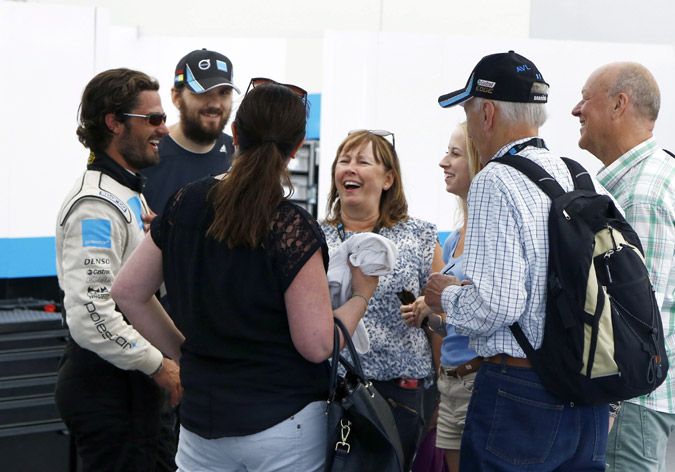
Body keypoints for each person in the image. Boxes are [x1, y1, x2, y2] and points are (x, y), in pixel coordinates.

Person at [111, 78, 378, 472]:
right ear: (296, 148)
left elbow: (128, 292)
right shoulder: (291, 227)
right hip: (283, 424)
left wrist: (184, 351)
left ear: (234, 133)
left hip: (202, 424)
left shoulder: (184, 203)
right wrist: (361, 296)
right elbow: (317, 345)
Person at [425, 50, 611, 471]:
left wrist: (446, 295)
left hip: (521, 390)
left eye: (469, 112)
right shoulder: (579, 174)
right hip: (590, 392)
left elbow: (498, 305)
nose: (470, 125)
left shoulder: (496, 177)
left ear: (487, 113)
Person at [54, 68, 184, 472]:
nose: (164, 129)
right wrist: (158, 365)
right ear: (114, 123)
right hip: (110, 389)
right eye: (155, 119)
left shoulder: (127, 193)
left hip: (131, 389)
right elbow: (90, 313)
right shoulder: (95, 205)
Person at [572, 62, 675, 471]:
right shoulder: (654, 176)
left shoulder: (641, 195)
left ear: (619, 105)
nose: (575, 110)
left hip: (631, 401)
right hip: (640, 401)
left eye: (585, 99)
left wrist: (612, 402)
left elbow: (636, 325)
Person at [322, 129, 445, 470]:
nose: (350, 169)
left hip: (402, 396)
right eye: (344, 161)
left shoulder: (419, 236)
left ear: (388, 178)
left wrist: (444, 393)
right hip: (330, 394)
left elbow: (439, 320)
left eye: (362, 161)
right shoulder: (316, 235)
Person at [403, 121, 481, 472]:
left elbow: (494, 313)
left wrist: (442, 304)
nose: (442, 162)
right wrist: (429, 316)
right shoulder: (454, 240)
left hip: (477, 382)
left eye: (454, 153)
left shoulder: (490, 238)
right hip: (450, 382)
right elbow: (455, 325)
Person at [142, 48, 238, 215]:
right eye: (203, 92)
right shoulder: (146, 153)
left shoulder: (239, 157)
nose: (215, 104)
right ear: (176, 97)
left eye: (224, 93)